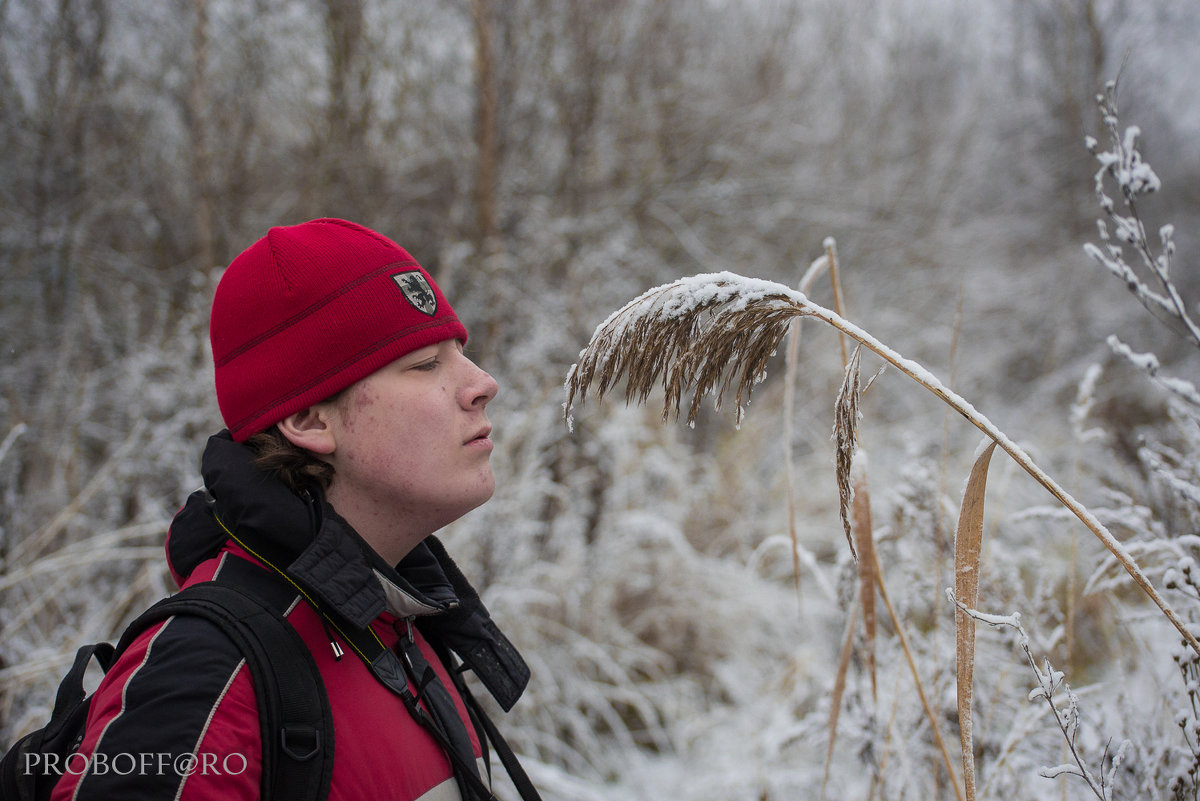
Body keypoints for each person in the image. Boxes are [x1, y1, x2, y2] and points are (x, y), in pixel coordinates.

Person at [51, 218, 535, 801]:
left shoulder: (396, 620)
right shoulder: (207, 674)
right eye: (425, 364)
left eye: (461, 353)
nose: (483, 383)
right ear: (308, 419)